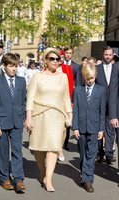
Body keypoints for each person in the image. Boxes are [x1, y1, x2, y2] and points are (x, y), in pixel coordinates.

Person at [25, 48, 72, 192]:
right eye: (52, 59)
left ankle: (49, 179)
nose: (55, 61)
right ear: (46, 60)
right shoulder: (37, 76)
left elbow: (66, 97)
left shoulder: (63, 77)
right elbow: (30, 98)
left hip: (57, 116)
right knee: (39, 149)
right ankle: (42, 170)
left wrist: (70, 114)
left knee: (53, 148)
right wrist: (28, 117)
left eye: (58, 59)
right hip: (39, 115)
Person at [0, 53, 26, 192]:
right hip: (2, 122)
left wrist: (23, 117)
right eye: (11, 66)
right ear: (4, 66)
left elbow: (24, 101)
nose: (14, 69)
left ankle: (18, 179)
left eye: (16, 66)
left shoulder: (22, 81)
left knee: (17, 150)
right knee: (3, 152)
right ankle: (5, 178)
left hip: (17, 121)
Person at [72, 64, 106, 193]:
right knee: (83, 155)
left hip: (95, 127)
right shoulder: (78, 90)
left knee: (91, 155)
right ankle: (85, 175)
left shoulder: (101, 90)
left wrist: (101, 129)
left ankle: (88, 180)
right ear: (83, 77)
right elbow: (75, 110)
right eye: (87, 78)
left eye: (92, 78)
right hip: (80, 127)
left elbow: (102, 112)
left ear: (95, 76)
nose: (90, 81)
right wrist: (75, 127)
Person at [95, 46, 116, 164]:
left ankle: (108, 153)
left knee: (110, 130)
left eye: (110, 55)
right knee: (99, 129)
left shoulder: (116, 68)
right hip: (99, 104)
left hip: (113, 104)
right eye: (106, 54)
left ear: (113, 55)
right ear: (102, 55)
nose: (108, 57)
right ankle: (100, 153)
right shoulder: (97, 68)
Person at [57, 50, 74, 161]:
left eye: (62, 57)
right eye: (59, 57)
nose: (60, 60)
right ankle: (55, 149)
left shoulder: (68, 69)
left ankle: (59, 147)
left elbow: (71, 86)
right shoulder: (47, 69)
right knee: (54, 128)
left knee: (64, 129)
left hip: (64, 102)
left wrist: (69, 102)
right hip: (52, 103)